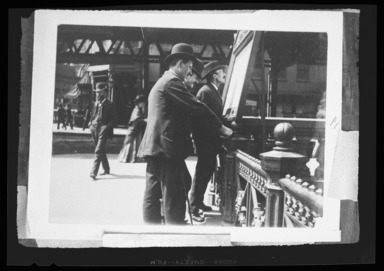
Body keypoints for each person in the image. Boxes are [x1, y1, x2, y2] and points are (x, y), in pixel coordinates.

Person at [137, 43, 233, 225]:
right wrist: (223, 128)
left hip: (155, 148)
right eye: (189, 67)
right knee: (175, 192)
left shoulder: (162, 82)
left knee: (154, 190)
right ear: (180, 63)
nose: (189, 71)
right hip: (166, 150)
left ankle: (151, 230)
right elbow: (196, 106)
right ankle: (176, 233)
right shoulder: (172, 82)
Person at [189, 61, 227, 223]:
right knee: (202, 173)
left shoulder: (213, 91)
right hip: (205, 142)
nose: (225, 74)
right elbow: (200, 119)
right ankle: (193, 206)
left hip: (210, 141)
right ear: (215, 75)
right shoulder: (206, 91)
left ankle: (198, 202)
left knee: (206, 171)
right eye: (222, 72)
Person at [89, 82, 116, 180]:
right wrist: (90, 124)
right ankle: (107, 169)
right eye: (96, 92)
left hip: (103, 129)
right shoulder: (95, 103)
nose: (98, 94)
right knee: (100, 149)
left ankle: (93, 172)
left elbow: (114, 119)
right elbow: (92, 115)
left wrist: (106, 128)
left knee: (98, 150)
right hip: (94, 128)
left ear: (105, 92)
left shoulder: (110, 104)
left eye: (100, 92)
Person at [118, 94, 147, 163]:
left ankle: (134, 158)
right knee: (131, 143)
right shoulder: (136, 109)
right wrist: (144, 120)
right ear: (139, 103)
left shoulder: (139, 109)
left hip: (137, 129)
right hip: (133, 129)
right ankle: (129, 158)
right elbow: (136, 119)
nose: (143, 104)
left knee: (135, 143)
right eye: (142, 103)